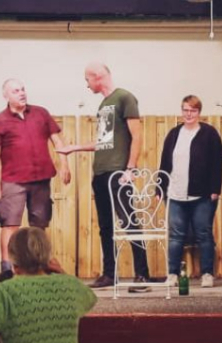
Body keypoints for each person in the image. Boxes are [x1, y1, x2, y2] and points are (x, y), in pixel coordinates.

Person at [57, 62, 151, 292]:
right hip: (100, 172)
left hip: (118, 172)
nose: (87, 84)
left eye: (87, 79)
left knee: (129, 221)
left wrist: (130, 168)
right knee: (105, 226)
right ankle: (110, 273)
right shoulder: (103, 104)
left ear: (97, 76)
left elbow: (137, 136)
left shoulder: (125, 98)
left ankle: (142, 273)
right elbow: (103, 141)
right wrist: (75, 148)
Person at [0, 79, 71, 282]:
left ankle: (41, 265)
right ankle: (7, 268)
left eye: (23, 89)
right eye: (16, 91)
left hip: (41, 179)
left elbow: (57, 141)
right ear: (6, 96)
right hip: (13, 180)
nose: (22, 93)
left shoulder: (41, 113)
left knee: (39, 226)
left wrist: (64, 165)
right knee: (10, 225)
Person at [159, 95, 222, 288]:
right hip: (175, 193)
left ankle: (207, 274)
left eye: (193, 110)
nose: (189, 114)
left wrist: (215, 188)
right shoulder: (173, 134)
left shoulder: (209, 133)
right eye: (185, 110)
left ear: (199, 112)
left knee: (204, 233)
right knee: (176, 236)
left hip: (202, 194)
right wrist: (160, 187)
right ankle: (172, 274)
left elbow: (217, 163)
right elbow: (165, 162)